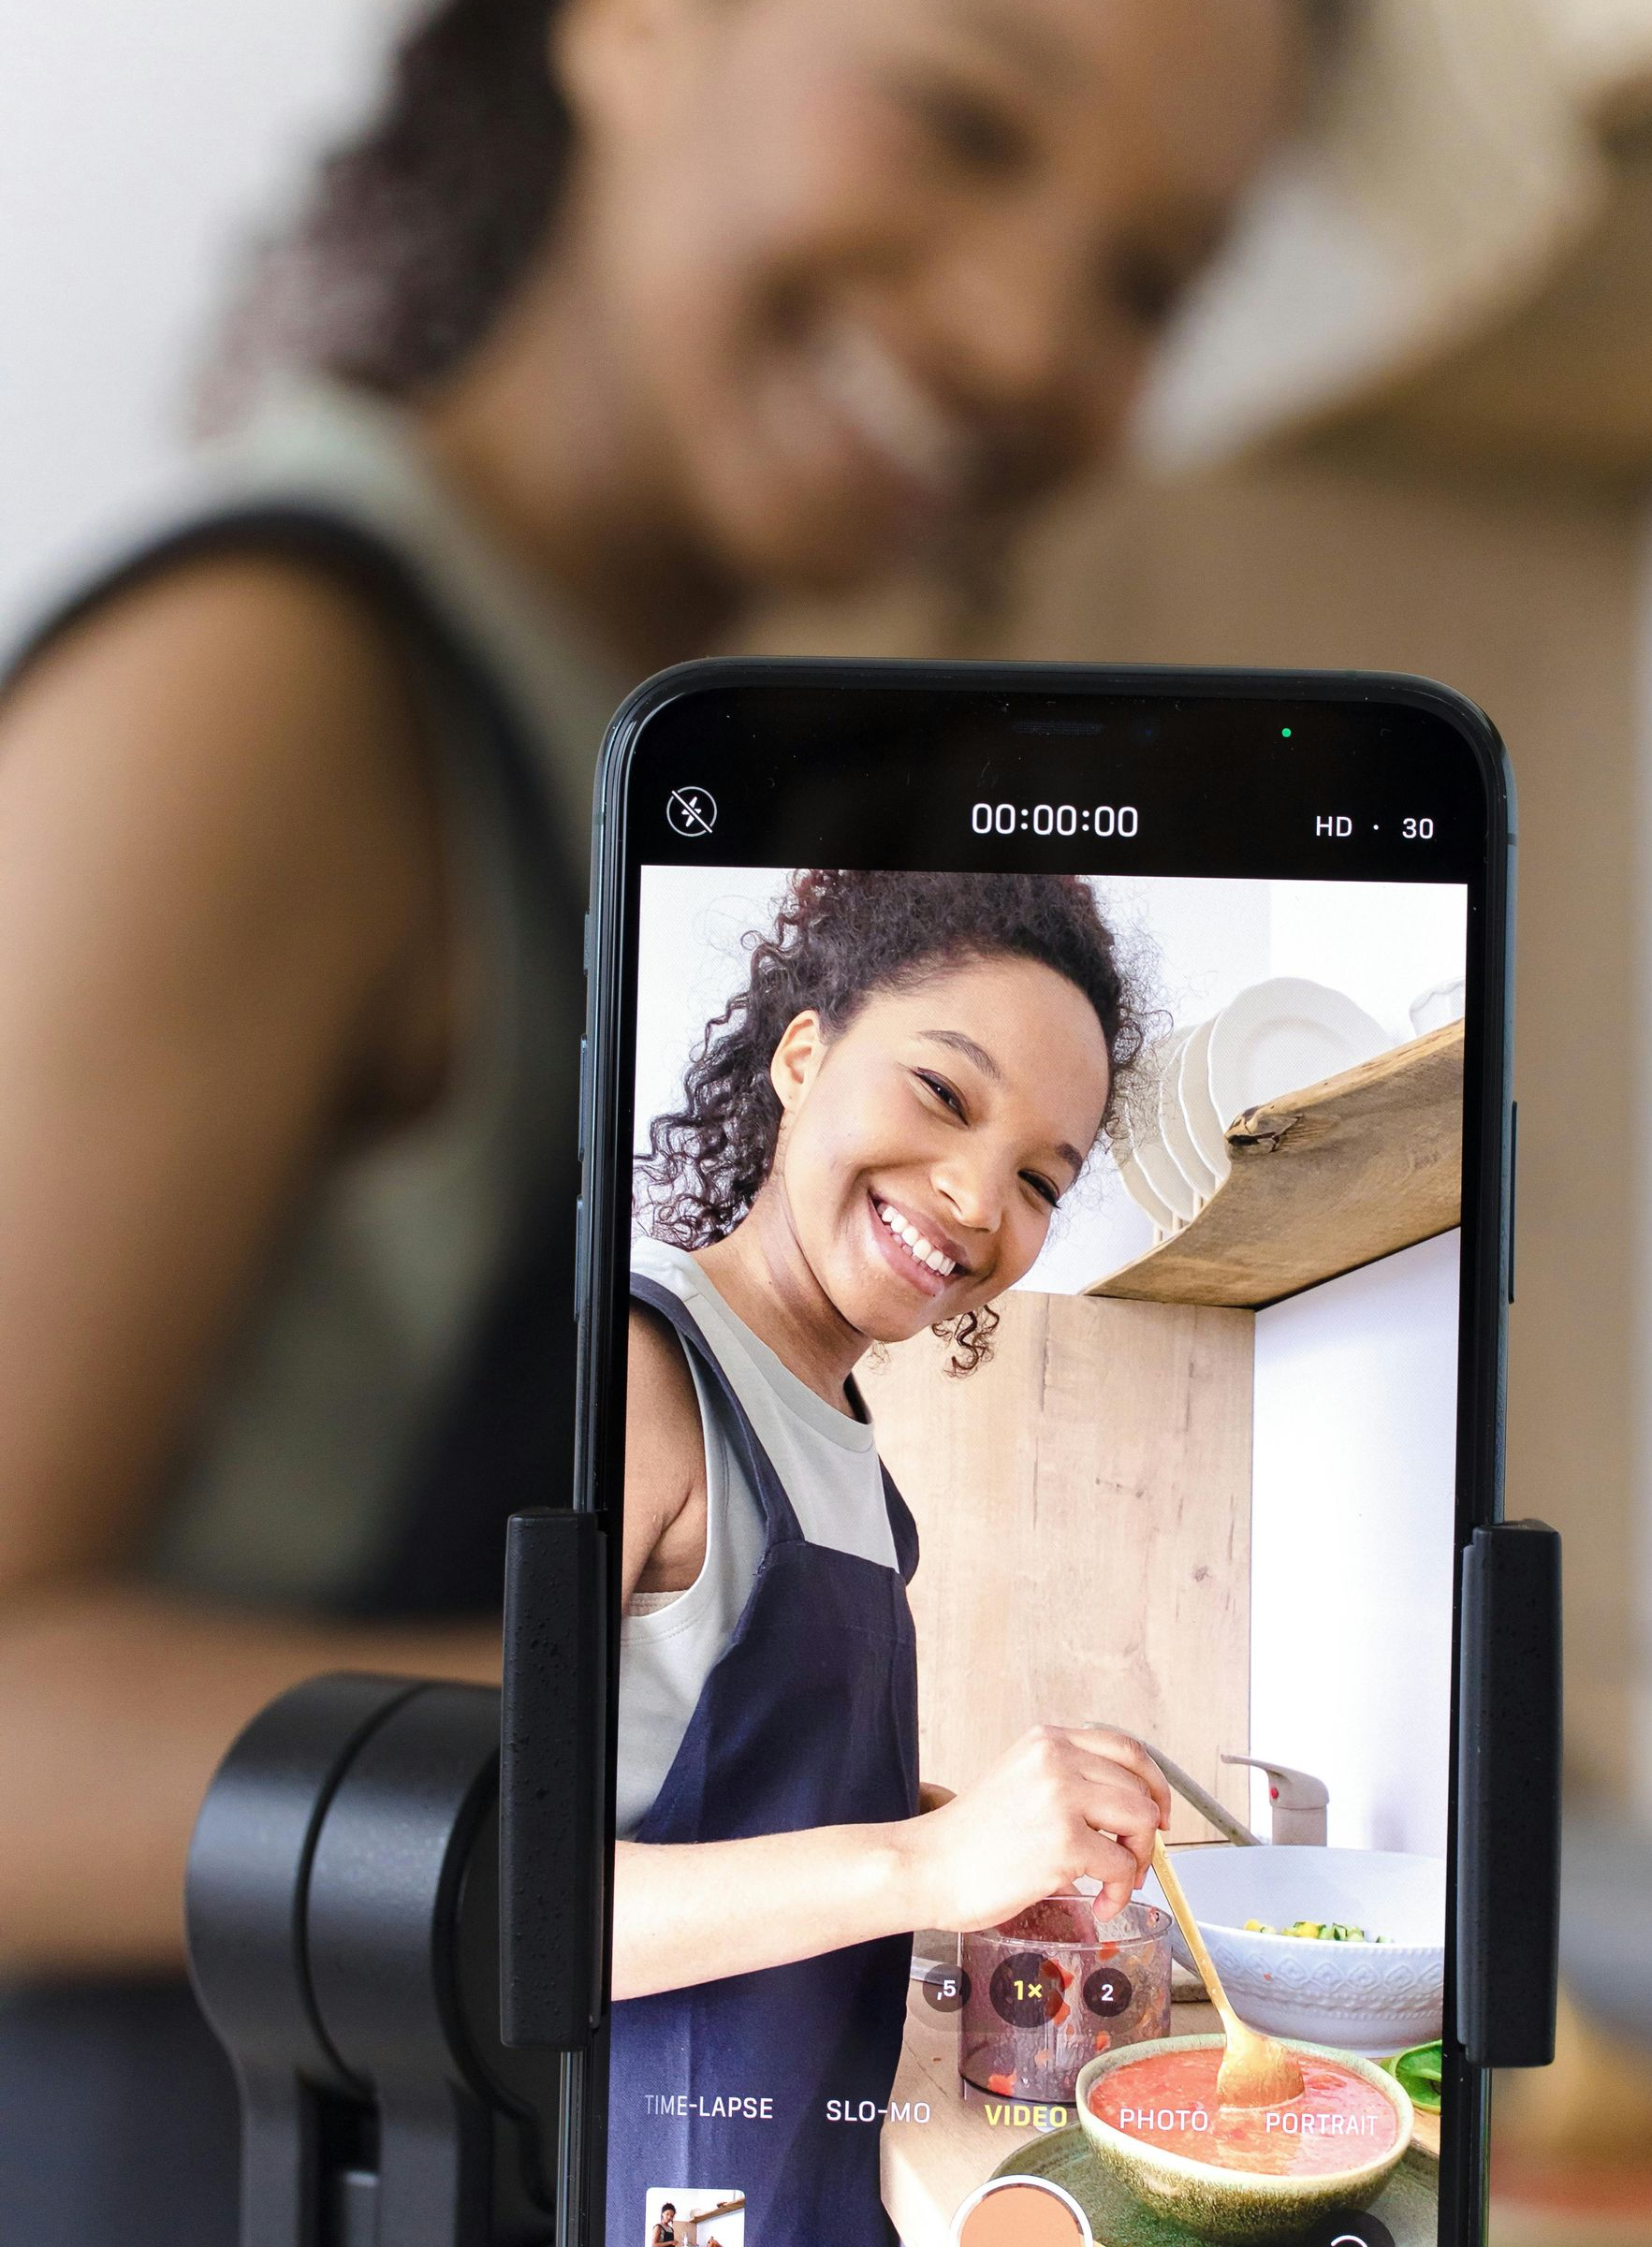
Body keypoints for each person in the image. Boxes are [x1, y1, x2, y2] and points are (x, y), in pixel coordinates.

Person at [0, 1, 1306, 2239]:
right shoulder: (271, 693)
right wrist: (848, 1839)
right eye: (960, 116)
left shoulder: (634, 756)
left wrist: (930, 1834)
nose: (1022, 332)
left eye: (1144, 279)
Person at [612, 869, 1174, 2247]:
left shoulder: (845, 1437)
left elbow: (736, 1783)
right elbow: (494, 1897)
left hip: (809, 2168)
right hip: (666, 2191)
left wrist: (988, 1838)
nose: (978, 1199)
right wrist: (927, 1862)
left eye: (1040, 1179)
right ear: (803, 1056)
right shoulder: (637, 1371)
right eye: (941, 1090)